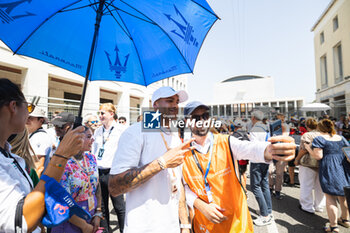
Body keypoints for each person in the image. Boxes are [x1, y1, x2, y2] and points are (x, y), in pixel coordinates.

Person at [181, 102, 296, 232]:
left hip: (236, 224)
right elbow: (183, 187)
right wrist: (200, 205)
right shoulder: (182, 152)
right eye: (196, 118)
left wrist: (270, 150)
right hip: (205, 225)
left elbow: (249, 148)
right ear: (187, 121)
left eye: (205, 116)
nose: (202, 121)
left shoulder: (226, 141)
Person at [0, 78, 85, 232]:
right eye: (28, 107)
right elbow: (21, 221)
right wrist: (61, 156)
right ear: (13, 107)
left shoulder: (7, 152)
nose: (28, 114)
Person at [108, 86, 192, 233]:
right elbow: (115, 187)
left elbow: (177, 181)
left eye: (177, 102)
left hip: (171, 226)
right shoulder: (136, 132)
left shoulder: (173, 135)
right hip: (143, 226)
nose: (175, 106)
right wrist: (161, 163)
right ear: (155, 105)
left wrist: (184, 223)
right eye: (169, 100)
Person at [52, 126, 103, 233]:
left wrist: (98, 212)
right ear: (77, 139)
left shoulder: (91, 158)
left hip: (90, 216)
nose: (93, 140)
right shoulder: (64, 163)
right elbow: (62, 201)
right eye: (88, 137)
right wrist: (83, 226)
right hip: (70, 220)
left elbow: (97, 186)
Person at [305, 119, 350, 232]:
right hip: (343, 168)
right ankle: (345, 220)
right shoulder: (341, 137)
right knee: (343, 195)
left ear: (320, 129)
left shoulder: (319, 139)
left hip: (330, 168)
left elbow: (318, 156)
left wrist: (309, 149)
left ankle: (333, 226)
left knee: (330, 197)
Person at [92, 103, 126, 232]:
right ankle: (105, 231)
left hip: (114, 172)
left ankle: (124, 230)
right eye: (99, 113)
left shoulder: (121, 130)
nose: (100, 116)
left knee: (119, 206)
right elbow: (95, 150)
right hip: (99, 171)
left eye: (102, 113)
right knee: (102, 206)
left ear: (111, 114)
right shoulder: (97, 131)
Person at [248, 110, 275, 226]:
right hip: (266, 158)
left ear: (253, 118)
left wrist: (248, 138)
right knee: (264, 185)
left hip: (257, 159)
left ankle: (264, 215)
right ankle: (268, 211)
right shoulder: (266, 127)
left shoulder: (255, 129)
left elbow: (254, 146)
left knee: (256, 187)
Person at [294, 118, 325, 214]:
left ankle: (307, 206)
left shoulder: (307, 135)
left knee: (306, 185)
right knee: (320, 186)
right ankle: (319, 206)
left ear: (307, 126)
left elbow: (303, 149)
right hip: (321, 163)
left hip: (308, 163)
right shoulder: (323, 134)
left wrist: (297, 159)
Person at [26, 107, 52, 176]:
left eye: (30, 118)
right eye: (26, 116)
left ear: (41, 121)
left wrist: (34, 186)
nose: (26, 120)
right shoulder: (33, 135)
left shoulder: (40, 137)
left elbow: (38, 167)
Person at [269, 113, 289, 200]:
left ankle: (277, 190)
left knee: (279, 173)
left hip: (281, 152)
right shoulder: (270, 126)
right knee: (269, 172)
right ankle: (270, 188)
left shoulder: (285, 126)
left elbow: (285, 138)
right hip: (271, 151)